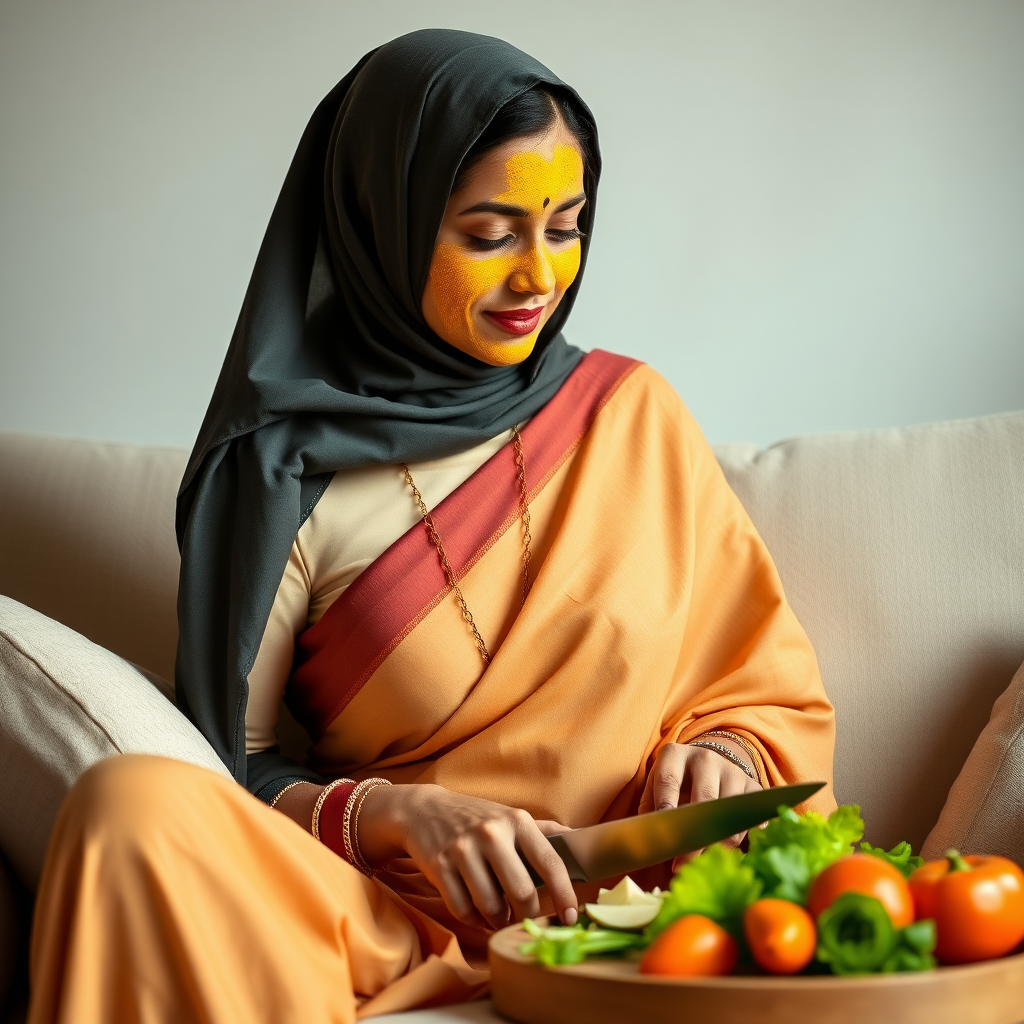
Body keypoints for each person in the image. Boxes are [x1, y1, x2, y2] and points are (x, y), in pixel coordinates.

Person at [27, 28, 835, 1024]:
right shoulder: (282, 468)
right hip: (389, 914)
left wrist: (731, 754)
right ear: (384, 222)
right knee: (132, 805)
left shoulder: (631, 414)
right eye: (489, 233)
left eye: (565, 224)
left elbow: (760, 689)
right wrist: (390, 812)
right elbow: (229, 764)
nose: (539, 276)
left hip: (649, 912)